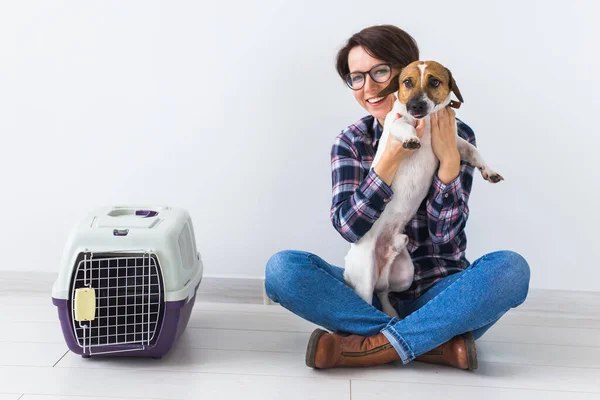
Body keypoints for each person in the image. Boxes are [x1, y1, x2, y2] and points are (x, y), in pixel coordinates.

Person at [264, 25, 530, 371]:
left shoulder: (456, 132)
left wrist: (450, 161)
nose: (370, 87)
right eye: (356, 77)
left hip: (439, 294)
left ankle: (367, 344)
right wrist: (388, 159)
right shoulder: (351, 141)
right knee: (282, 270)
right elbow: (348, 228)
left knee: (511, 269)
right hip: (368, 292)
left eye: (380, 71)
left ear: (409, 69)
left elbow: (444, 238)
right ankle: (431, 345)